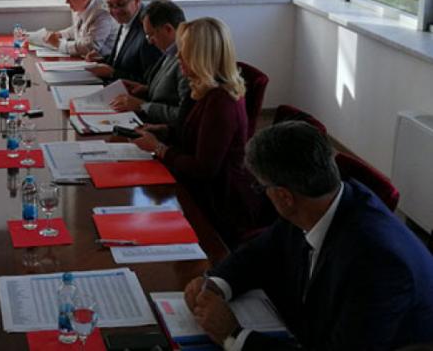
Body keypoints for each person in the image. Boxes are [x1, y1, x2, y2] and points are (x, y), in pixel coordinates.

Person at [185, 121, 433, 350]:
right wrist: (216, 285)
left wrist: (234, 335)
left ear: (284, 196)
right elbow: (259, 252)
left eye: (261, 186)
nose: (262, 194)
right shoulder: (316, 201)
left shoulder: (378, 263)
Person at [133, 17, 269, 243]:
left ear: (201, 56)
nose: (178, 57)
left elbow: (203, 169)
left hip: (217, 203)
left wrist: (159, 148)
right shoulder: (203, 89)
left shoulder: (221, 101)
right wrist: (164, 131)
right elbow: (194, 134)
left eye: (184, 52)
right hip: (200, 188)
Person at [110, 0, 191, 127]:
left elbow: (184, 115)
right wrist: (146, 89)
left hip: (161, 130)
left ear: (168, 29)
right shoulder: (169, 51)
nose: (149, 41)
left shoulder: (186, 61)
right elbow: (169, 91)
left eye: (151, 35)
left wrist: (142, 106)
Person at [85, 0, 161, 81]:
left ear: (136, 0)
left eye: (120, 4)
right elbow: (122, 61)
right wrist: (101, 59)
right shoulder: (126, 20)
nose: (115, 10)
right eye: (110, 5)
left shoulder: (148, 29)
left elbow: (149, 81)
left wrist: (113, 73)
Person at [41, 0, 118, 57]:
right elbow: (78, 29)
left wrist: (59, 44)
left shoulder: (102, 15)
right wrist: (60, 34)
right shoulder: (82, 7)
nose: (67, 2)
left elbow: (90, 47)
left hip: (103, 63)